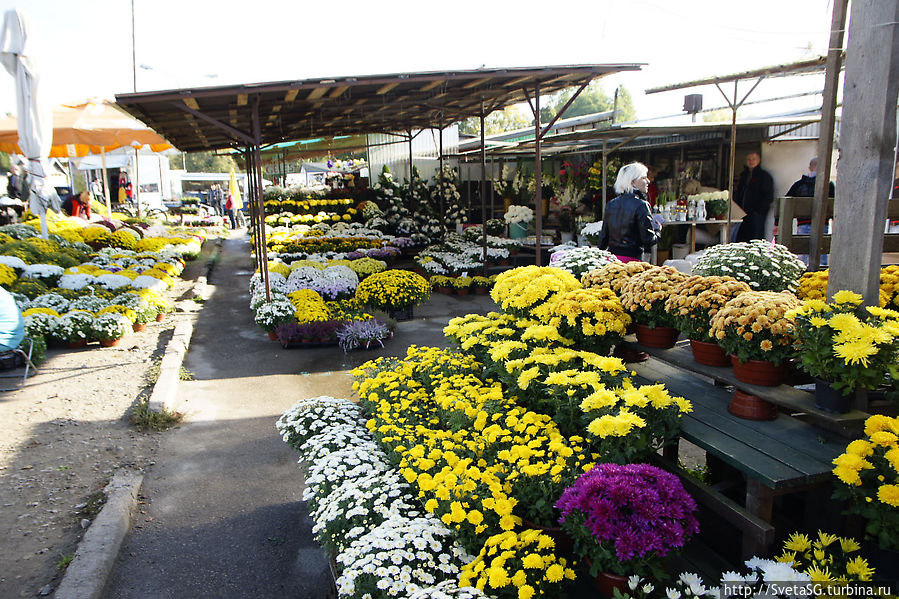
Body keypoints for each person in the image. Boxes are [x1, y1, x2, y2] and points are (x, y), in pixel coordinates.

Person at [598, 162, 662, 262]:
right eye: (644, 178)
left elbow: (603, 237)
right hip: (632, 262)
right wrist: (658, 230)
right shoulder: (641, 205)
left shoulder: (611, 204)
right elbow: (648, 240)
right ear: (633, 182)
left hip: (612, 261)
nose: (648, 181)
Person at [734, 151, 774, 242]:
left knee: (756, 238)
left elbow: (768, 196)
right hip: (743, 213)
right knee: (743, 238)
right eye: (749, 159)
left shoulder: (764, 176)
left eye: (754, 159)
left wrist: (758, 210)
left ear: (759, 160)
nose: (751, 161)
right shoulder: (744, 175)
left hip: (757, 214)